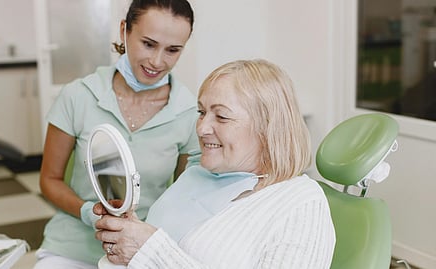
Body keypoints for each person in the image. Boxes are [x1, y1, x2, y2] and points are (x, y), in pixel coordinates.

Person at [94, 59, 336, 268]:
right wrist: (130, 233)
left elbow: (157, 250)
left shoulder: (300, 204)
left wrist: (150, 250)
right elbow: (163, 240)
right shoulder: (199, 174)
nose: (201, 128)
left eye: (221, 116)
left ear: (268, 128)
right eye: (201, 112)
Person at [34, 0, 198, 268]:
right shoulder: (78, 95)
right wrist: (87, 212)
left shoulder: (189, 113)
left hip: (140, 250)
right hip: (72, 245)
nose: (157, 61)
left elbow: (182, 196)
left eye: (173, 50)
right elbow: (50, 180)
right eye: (148, 43)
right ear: (125, 31)